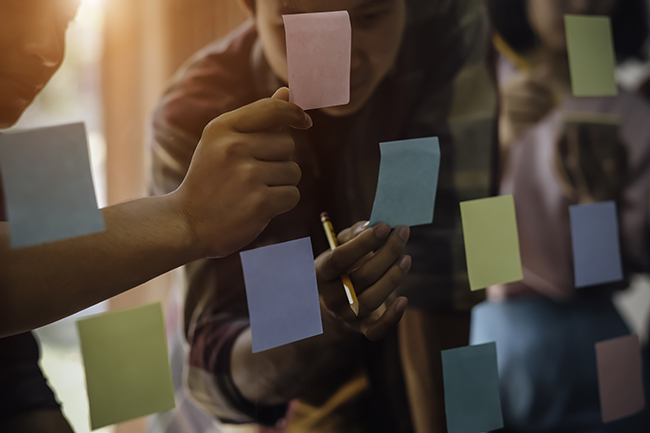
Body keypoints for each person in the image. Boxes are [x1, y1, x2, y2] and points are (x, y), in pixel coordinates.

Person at [149, 0, 498, 431]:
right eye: (302, 25)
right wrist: (324, 317)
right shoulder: (200, 116)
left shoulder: (445, 22)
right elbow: (217, 373)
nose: (342, 59)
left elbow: (442, 272)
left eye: (371, 17)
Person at [0, 0, 315, 430]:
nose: (48, 51)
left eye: (66, 23)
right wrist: (186, 217)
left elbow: (14, 374)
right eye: (16, 12)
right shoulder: (198, 103)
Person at [471, 0, 650, 431]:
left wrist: (596, 202)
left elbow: (618, 268)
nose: (584, 3)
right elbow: (474, 263)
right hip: (503, 324)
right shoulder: (482, 97)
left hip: (598, 321)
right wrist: (501, 142)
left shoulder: (633, 117)